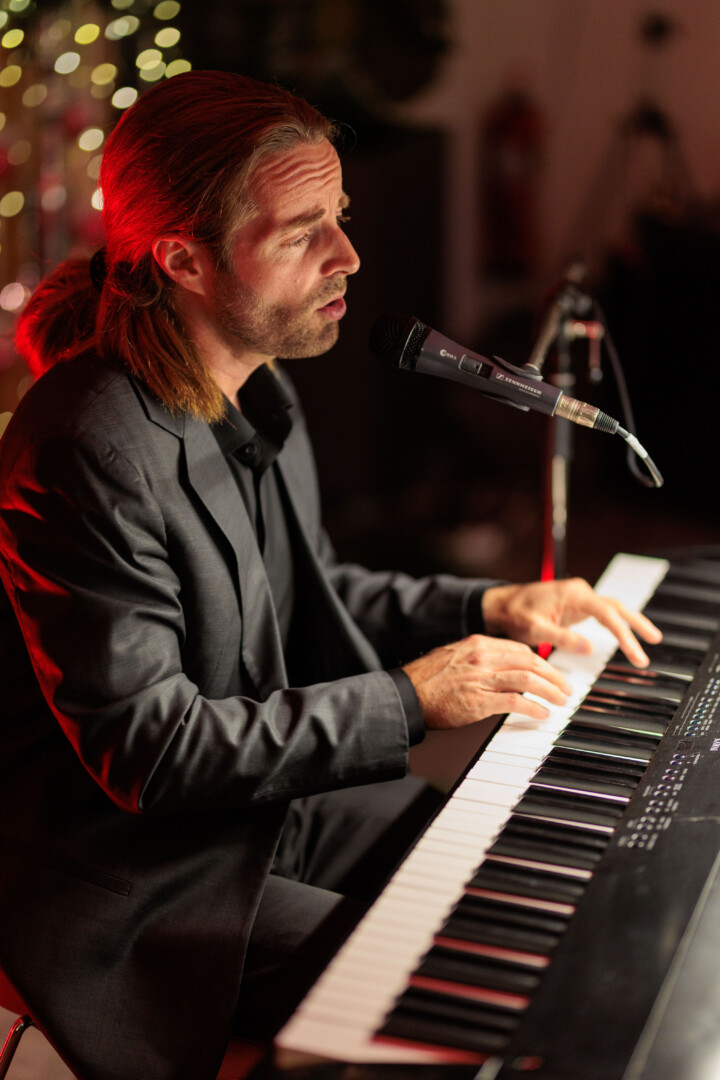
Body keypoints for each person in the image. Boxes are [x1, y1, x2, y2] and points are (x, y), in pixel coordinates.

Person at [0, 71, 660, 1080]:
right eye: (302, 232)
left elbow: (301, 590)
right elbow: (150, 752)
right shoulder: (86, 448)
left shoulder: (251, 382)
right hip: (139, 874)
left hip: (265, 806)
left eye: (339, 216)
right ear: (183, 257)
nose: (348, 254)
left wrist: (491, 604)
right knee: (463, 989)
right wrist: (411, 699)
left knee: (521, 883)